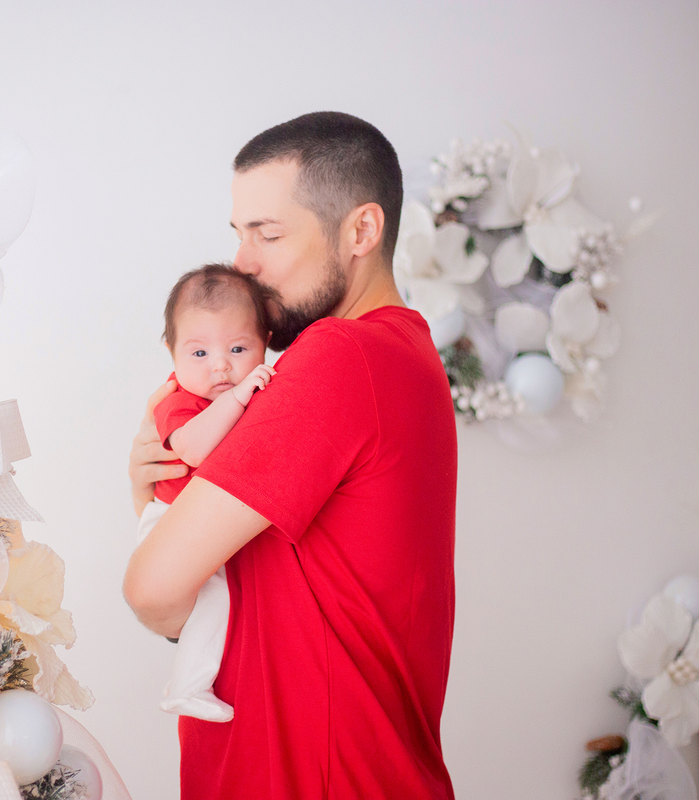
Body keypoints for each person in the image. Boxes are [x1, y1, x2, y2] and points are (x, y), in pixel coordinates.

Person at [124, 111, 458, 799]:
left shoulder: (341, 356)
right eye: (238, 234)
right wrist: (153, 491)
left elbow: (155, 589)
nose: (241, 264)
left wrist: (152, 517)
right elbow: (225, 603)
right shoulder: (405, 358)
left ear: (361, 231)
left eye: (268, 235)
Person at [139, 263, 276, 722]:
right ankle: (186, 687)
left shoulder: (254, 391)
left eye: (238, 348)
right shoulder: (179, 402)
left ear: (266, 344)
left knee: (224, 602)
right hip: (168, 522)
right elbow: (194, 449)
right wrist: (236, 399)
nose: (220, 365)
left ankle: (189, 683)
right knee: (213, 600)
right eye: (199, 353)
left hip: (201, 524)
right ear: (171, 353)